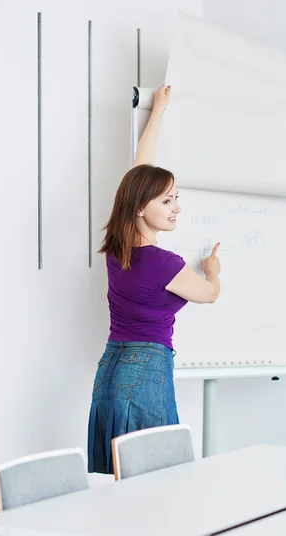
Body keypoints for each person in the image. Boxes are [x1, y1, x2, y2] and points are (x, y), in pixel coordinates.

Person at [87, 85, 221, 474]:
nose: (177, 207)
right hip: (145, 373)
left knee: (111, 480)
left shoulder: (117, 247)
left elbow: (137, 173)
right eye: (167, 201)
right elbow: (209, 294)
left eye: (176, 197)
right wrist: (212, 271)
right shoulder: (163, 263)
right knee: (155, 482)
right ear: (141, 208)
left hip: (109, 372)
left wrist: (157, 110)